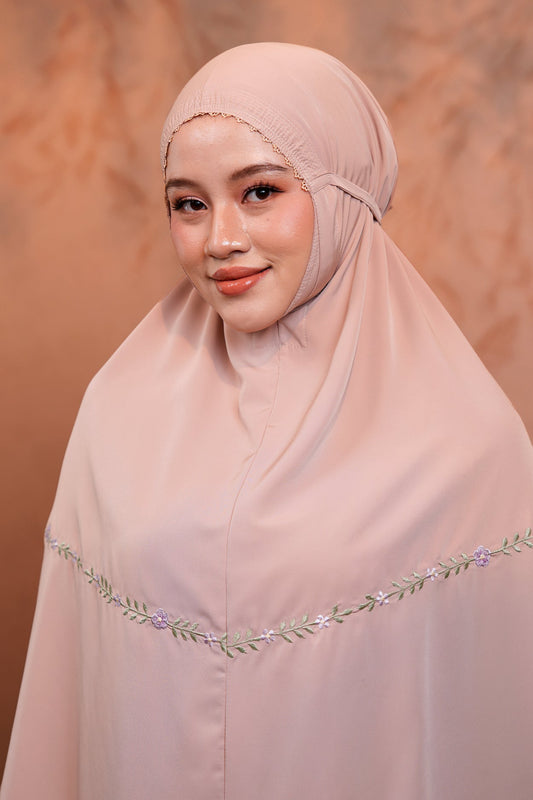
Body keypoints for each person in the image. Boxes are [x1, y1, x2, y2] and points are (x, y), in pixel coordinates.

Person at [2, 42, 533, 800]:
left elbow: (482, 730)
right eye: (188, 203)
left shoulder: (469, 448)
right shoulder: (117, 409)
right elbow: (80, 698)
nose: (220, 239)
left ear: (342, 192)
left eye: (258, 192)